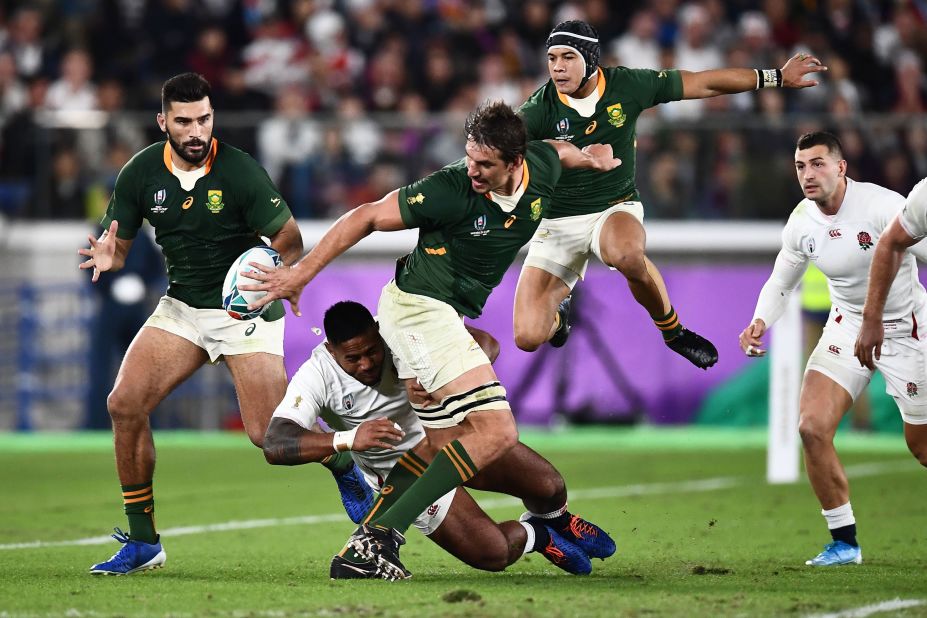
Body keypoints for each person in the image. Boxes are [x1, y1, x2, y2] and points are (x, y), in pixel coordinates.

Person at [242, 101, 619, 579]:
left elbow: (558, 152)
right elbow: (366, 217)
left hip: (444, 321)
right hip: (418, 308)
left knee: (534, 478)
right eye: (469, 157)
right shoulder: (449, 188)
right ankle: (378, 537)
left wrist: (588, 157)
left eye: (484, 164)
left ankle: (548, 526)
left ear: (515, 162)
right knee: (497, 430)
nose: (473, 170)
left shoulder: (540, 164)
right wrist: (300, 274)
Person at [78, 72, 308, 575]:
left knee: (270, 438)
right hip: (183, 308)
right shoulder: (140, 173)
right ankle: (143, 542)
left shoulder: (241, 170)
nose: (195, 130)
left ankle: (342, 462)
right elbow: (118, 246)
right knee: (124, 403)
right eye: (183, 121)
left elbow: (290, 239)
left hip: (243, 311)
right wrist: (108, 255)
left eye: (203, 118)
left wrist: (270, 271)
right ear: (163, 122)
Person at [514, 20, 827, 368]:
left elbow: (702, 82)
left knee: (627, 255)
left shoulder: (627, 85)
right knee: (527, 336)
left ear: (590, 59)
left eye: (568, 57)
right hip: (557, 222)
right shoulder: (537, 110)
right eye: (552, 58)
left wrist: (776, 77)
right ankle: (559, 317)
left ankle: (674, 331)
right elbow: (500, 154)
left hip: (611, 209)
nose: (557, 67)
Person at [263, 300, 615, 578]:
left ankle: (557, 519)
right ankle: (539, 536)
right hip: (406, 472)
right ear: (331, 350)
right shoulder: (317, 374)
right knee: (493, 554)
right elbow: (275, 442)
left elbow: (486, 344)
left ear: (378, 332)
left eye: (372, 351)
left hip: (452, 436)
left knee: (550, 486)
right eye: (352, 358)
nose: (367, 364)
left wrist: (445, 379)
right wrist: (348, 438)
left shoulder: (400, 333)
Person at [738, 132, 927, 567]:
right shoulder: (801, 222)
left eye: (818, 163)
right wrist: (759, 321)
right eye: (801, 166)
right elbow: (782, 279)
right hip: (847, 327)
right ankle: (844, 542)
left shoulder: (882, 205)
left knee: (921, 447)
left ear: (842, 168)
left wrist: (879, 320)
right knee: (811, 427)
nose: (808, 174)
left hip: (905, 330)